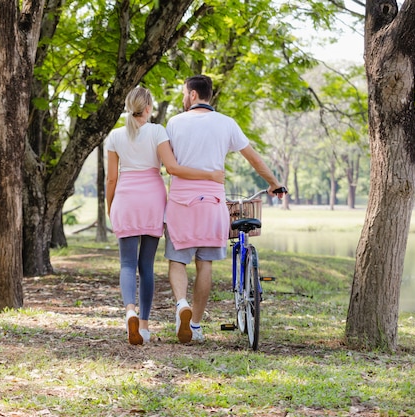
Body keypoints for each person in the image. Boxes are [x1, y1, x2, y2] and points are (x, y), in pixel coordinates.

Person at [164, 75, 286, 344]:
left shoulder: (174, 123)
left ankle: (181, 304)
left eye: (185, 93)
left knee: (177, 260)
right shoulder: (226, 124)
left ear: (193, 95)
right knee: (204, 263)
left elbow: (168, 163)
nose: (183, 98)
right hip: (213, 203)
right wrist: (274, 183)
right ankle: (194, 324)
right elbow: (253, 158)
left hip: (181, 203)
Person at [105, 86, 225, 345]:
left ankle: (130, 312)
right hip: (152, 201)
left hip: (125, 200)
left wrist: (110, 205)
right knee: (145, 265)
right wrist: (209, 175)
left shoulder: (114, 136)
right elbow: (172, 167)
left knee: (126, 264)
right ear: (148, 108)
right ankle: (145, 327)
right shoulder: (158, 131)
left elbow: (111, 178)